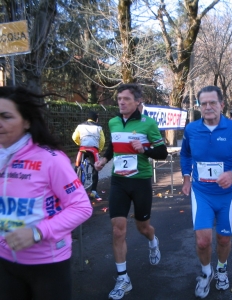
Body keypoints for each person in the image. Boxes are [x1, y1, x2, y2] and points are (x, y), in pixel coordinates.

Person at [0, 86, 93, 300]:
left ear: (26, 121)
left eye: (6, 116)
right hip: (5, 260)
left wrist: (36, 232)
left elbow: (81, 207)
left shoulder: (51, 159)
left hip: (46, 264)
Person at [180, 86, 232, 298]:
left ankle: (221, 268)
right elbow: (185, 155)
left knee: (223, 239)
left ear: (221, 105)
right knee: (202, 240)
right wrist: (186, 177)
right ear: (199, 107)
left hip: (227, 194)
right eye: (203, 103)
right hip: (201, 192)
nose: (208, 107)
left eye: (213, 102)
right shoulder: (191, 129)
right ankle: (206, 273)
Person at [94, 83, 168, 300]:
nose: (121, 103)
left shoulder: (148, 124)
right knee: (118, 229)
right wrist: (104, 159)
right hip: (119, 181)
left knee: (143, 227)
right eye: (119, 99)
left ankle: (153, 241)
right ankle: (123, 278)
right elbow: (113, 146)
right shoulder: (114, 122)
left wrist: (144, 149)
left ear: (137, 102)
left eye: (126, 99)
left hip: (141, 181)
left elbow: (162, 152)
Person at [72, 111, 105, 200]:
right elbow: (102, 141)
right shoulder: (99, 127)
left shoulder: (80, 126)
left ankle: (74, 188)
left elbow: (74, 137)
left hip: (82, 148)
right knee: (95, 169)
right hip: (93, 150)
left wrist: (80, 143)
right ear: (96, 119)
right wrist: (99, 150)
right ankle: (93, 191)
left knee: (77, 166)